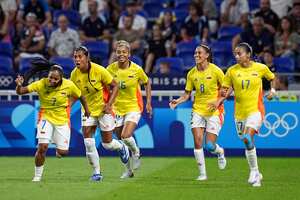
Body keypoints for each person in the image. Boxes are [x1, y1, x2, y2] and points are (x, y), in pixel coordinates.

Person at [15, 62, 90, 182]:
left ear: (61, 79)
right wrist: (19, 85)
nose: (52, 80)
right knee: (42, 147)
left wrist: (86, 110)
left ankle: (57, 146)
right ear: (47, 76)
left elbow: (81, 96)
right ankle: (37, 176)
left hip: (62, 120)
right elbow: (21, 91)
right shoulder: (41, 83)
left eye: (56, 79)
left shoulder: (69, 85)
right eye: (50, 77)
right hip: (45, 117)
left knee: (63, 152)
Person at [70, 46, 129, 182]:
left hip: (103, 109)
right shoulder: (74, 74)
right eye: (75, 57)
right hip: (88, 111)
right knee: (88, 142)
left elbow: (115, 86)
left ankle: (121, 146)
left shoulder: (99, 70)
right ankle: (97, 173)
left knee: (107, 144)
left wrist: (109, 105)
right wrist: (66, 108)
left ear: (87, 57)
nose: (77, 59)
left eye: (80, 56)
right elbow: (74, 94)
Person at [169, 44, 227, 181]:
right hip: (198, 110)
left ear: (207, 55)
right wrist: (177, 101)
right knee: (197, 141)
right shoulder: (191, 73)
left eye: (199, 53)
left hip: (214, 111)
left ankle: (220, 152)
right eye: (195, 53)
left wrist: (218, 101)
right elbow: (187, 94)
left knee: (209, 146)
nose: (196, 55)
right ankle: (202, 174)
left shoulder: (216, 71)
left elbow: (226, 92)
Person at [221, 42, 276, 187]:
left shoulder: (261, 68)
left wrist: (272, 91)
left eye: (239, 53)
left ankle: (254, 172)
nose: (236, 56)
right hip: (239, 113)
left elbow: (272, 78)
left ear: (248, 55)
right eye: (235, 54)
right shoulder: (232, 71)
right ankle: (257, 173)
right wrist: (222, 95)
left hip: (256, 110)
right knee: (246, 141)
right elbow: (226, 88)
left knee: (247, 136)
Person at [107, 40, 152, 179]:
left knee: (126, 136)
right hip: (116, 108)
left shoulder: (137, 69)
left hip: (133, 106)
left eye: (124, 52)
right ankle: (128, 170)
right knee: (121, 140)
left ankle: (136, 152)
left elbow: (147, 82)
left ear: (129, 54)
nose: (121, 54)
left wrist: (149, 102)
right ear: (115, 53)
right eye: (119, 52)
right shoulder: (110, 69)